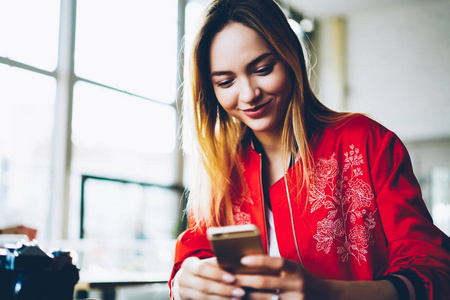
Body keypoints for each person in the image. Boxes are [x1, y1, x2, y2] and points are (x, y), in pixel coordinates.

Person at [170, 0, 450, 299]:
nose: (249, 95)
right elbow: (191, 260)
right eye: (225, 82)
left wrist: (328, 293)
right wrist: (184, 282)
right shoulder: (222, 171)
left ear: (291, 58)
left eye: (263, 69)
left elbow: (434, 273)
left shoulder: (366, 142)